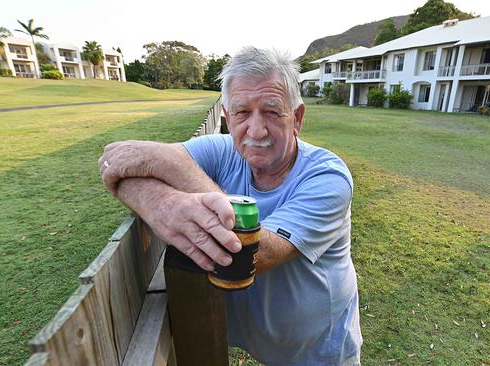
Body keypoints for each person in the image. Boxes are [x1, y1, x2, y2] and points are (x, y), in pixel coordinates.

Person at [98, 46, 362, 365]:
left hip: (320, 353)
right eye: (241, 113)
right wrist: (163, 205)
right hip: (265, 345)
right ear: (226, 116)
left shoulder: (327, 177)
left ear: (297, 117)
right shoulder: (225, 151)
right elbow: (117, 159)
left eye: (271, 111)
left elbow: (248, 257)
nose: (256, 130)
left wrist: (164, 170)